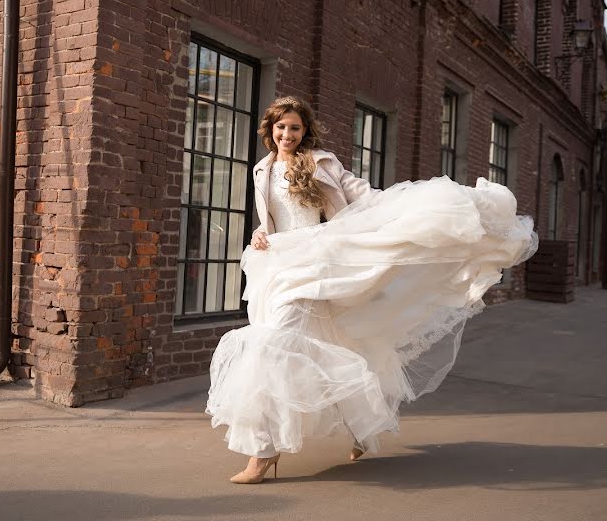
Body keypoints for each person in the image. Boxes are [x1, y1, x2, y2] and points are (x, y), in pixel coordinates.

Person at [206, 95, 537, 484]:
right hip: (275, 264)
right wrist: (261, 233)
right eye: (281, 127)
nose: (287, 134)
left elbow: (364, 197)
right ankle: (364, 427)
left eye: (295, 127)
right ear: (270, 129)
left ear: (304, 130)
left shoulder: (322, 162)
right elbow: (272, 219)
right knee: (336, 344)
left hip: (317, 262)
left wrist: (414, 209)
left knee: (271, 346)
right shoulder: (261, 169)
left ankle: (261, 454)